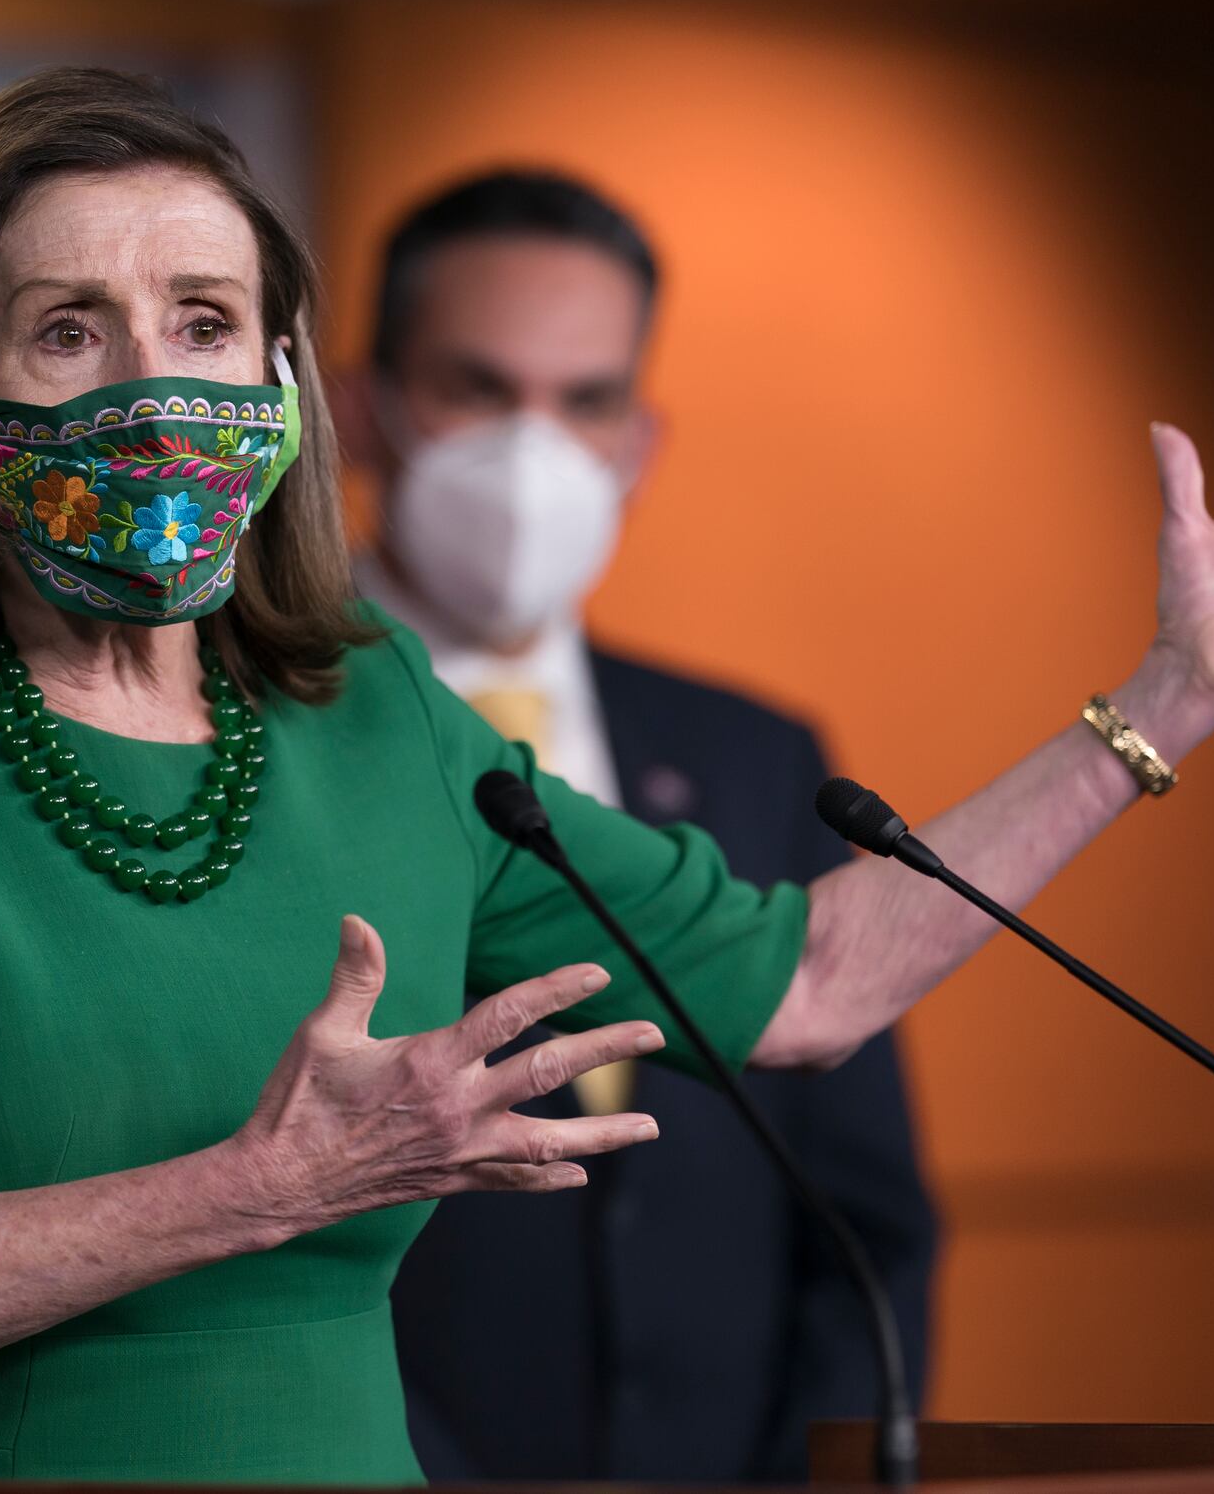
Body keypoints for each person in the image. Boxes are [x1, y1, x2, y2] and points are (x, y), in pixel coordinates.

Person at [0, 65, 1214, 1483]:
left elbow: (817, 976)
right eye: (72, 330)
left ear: (282, 386)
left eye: (204, 324)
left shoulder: (371, 709)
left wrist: (1177, 686)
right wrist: (257, 1185)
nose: (158, 381)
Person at [353, 170, 934, 1484]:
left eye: (586, 400)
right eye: (480, 387)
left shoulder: (757, 754)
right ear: (358, 406)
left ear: (643, 443)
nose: (532, 447)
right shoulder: (244, 739)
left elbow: (865, 1218)